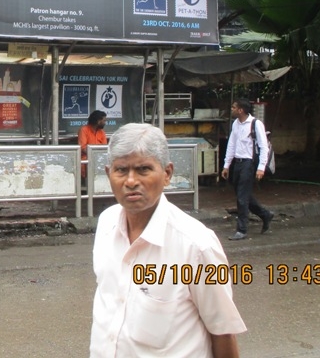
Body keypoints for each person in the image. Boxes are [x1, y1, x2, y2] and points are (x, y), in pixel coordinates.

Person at [91, 123, 245, 358]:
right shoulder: (106, 223)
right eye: (121, 170)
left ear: (167, 174)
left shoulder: (197, 245)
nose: (131, 181)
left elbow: (223, 332)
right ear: (108, 174)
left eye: (143, 169)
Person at [222, 99, 273, 240]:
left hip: (249, 164)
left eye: (234, 107)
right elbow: (231, 145)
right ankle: (265, 214)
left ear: (241, 110)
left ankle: (242, 229)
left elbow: (264, 147)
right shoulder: (236, 124)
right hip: (237, 164)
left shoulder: (255, 124)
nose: (231, 109)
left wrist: (261, 168)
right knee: (242, 195)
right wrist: (227, 165)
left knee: (242, 198)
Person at [78, 110, 107, 181]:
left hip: (100, 160)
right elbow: (83, 147)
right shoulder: (84, 130)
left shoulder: (102, 132)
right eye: (104, 120)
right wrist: (94, 154)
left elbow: (105, 148)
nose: (105, 123)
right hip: (86, 160)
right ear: (98, 121)